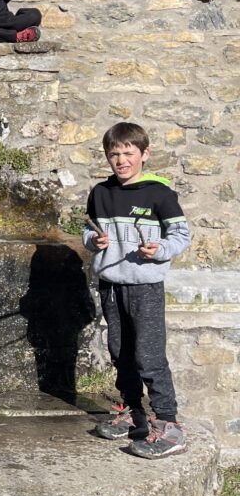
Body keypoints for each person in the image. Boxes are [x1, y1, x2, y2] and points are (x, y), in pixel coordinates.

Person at [83, 122, 191, 459]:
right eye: (114, 154)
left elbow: (181, 236)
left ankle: (170, 425)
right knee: (120, 352)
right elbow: (87, 233)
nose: (121, 161)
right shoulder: (100, 193)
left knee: (149, 356)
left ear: (145, 154)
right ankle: (134, 415)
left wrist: (158, 250)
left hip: (145, 287)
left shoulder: (160, 193)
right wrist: (94, 240)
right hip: (111, 286)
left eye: (128, 153)